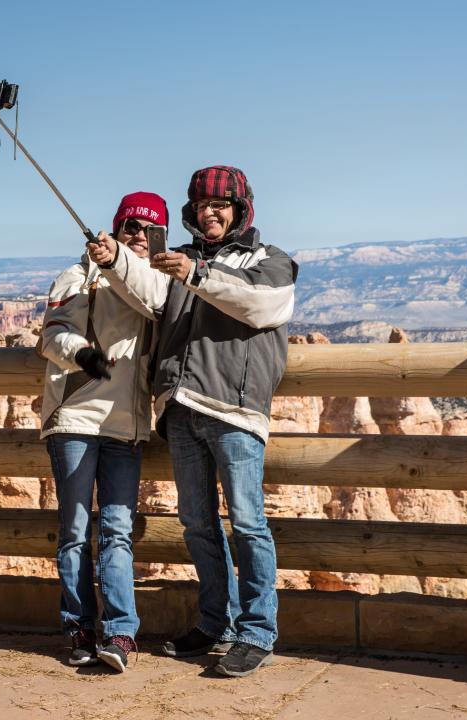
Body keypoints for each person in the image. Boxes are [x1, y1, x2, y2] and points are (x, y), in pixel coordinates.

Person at [88, 166, 298, 677]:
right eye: (202, 205)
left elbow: (261, 305)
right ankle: (216, 622)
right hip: (181, 410)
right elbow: (151, 293)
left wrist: (196, 275)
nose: (210, 212)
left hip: (235, 410)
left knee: (248, 524)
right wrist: (117, 260)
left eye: (220, 204)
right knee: (198, 525)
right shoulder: (182, 260)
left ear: (240, 208)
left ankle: (257, 631)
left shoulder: (269, 261)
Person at [39, 191, 168, 673]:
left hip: (127, 424)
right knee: (75, 531)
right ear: (114, 229)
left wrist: (121, 263)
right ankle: (77, 626)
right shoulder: (77, 277)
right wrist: (83, 355)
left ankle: (120, 634)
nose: (137, 235)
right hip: (75, 417)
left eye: (148, 229)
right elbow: (52, 333)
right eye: (129, 226)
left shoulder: (157, 280)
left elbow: (156, 303)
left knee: (116, 531)